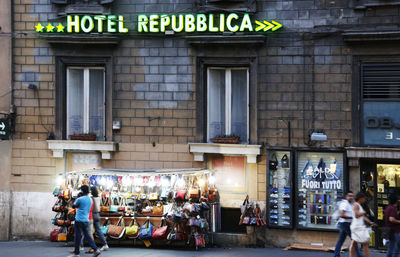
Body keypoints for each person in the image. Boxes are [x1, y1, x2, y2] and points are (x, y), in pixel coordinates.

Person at [68, 185, 101, 257]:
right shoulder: (90, 200)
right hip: (86, 220)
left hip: (79, 219)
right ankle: (96, 249)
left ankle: (77, 253)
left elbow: (74, 206)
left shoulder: (80, 199)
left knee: (77, 236)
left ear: (82, 191)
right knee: (87, 235)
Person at [334, 191, 361, 257]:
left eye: (352, 196)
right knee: (354, 239)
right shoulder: (344, 204)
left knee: (341, 240)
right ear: (346, 197)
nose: (351, 197)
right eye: (349, 196)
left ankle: (336, 254)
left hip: (346, 224)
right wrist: (352, 217)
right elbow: (342, 215)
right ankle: (359, 255)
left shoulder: (350, 204)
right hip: (345, 224)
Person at [349, 192, 376, 257]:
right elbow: (356, 215)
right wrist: (363, 212)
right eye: (364, 198)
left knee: (354, 244)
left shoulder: (358, 205)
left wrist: (370, 222)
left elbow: (362, 217)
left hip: (357, 226)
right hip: (358, 227)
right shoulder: (356, 205)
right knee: (365, 243)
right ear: (360, 198)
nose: (364, 200)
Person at [91, 186, 109, 251]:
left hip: (92, 214)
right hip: (97, 214)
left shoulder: (91, 198)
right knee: (98, 230)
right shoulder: (98, 197)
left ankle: (89, 246)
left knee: (88, 231)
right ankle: (105, 244)